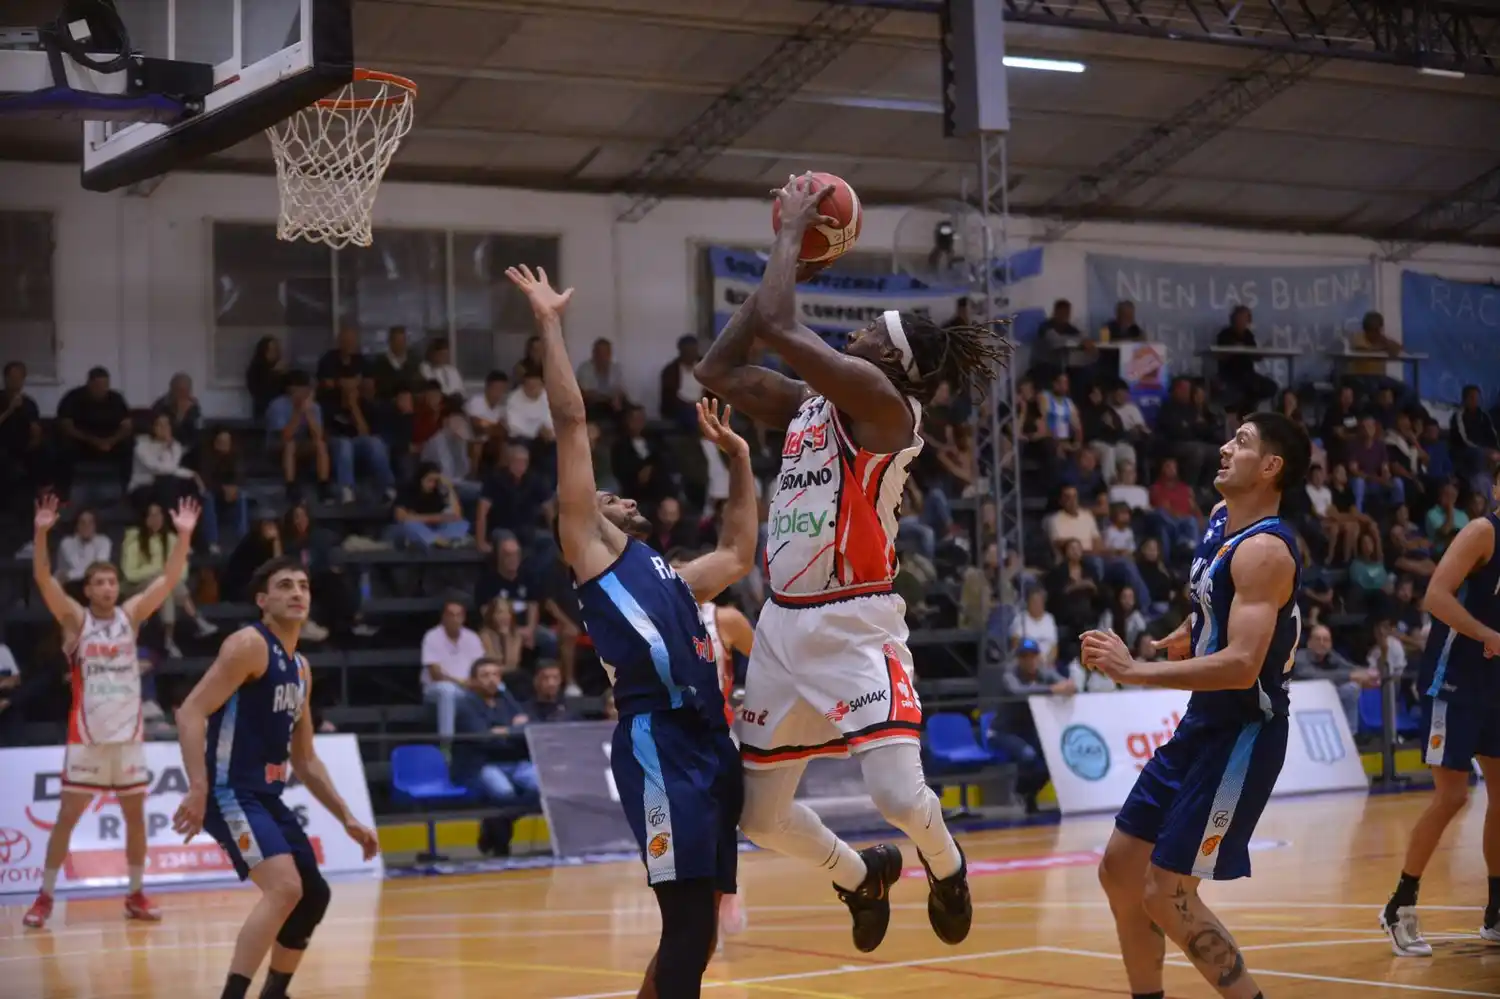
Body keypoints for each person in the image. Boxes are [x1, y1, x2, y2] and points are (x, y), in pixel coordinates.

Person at [694, 173, 1007, 953]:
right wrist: (791, 262)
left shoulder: (881, 404)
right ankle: (858, 874)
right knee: (759, 818)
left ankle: (946, 862)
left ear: (888, 357)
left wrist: (791, 238)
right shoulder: (812, 403)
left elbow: (775, 321)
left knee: (898, 793)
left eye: (870, 329)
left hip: (855, 621)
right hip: (781, 626)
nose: (858, 332)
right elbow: (718, 372)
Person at [507, 263, 758, 999]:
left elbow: (741, 551)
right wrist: (550, 323)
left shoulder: (671, 575)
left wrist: (740, 460)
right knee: (684, 927)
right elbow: (572, 421)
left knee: (700, 930)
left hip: (710, 744)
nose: (611, 495)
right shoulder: (590, 552)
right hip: (659, 745)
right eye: (602, 494)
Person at [1083, 411, 1311, 999]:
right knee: (1120, 871)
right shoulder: (1220, 523)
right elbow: (1217, 605)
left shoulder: (1267, 551)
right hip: (1203, 724)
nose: (1224, 447)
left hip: (1244, 732)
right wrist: (1194, 626)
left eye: (1242, 442)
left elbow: (1240, 664)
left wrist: (1137, 670)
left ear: (1271, 466)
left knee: (1167, 892)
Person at [170, 556, 379, 999]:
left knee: (313, 895)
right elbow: (189, 711)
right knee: (285, 887)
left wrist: (347, 818)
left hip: (266, 797)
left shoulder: (300, 668)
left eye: (303, 585)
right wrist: (198, 787)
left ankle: (274, 994)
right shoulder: (249, 644)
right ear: (263, 600)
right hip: (229, 792)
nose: (297, 592)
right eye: (285, 585)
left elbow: (305, 760)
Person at [22, 494, 201, 930]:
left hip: (128, 740)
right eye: (98, 583)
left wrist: (183, 536)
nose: (106, 588)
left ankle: (136, 894)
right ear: (86, 590)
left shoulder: (130, 616)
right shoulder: (75, 620)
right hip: (86, 740)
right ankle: (44, 897)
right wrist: (42, 532)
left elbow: (169, 578)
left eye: (110, 582)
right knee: (65, 819)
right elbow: (44, 577)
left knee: (136, 821)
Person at [1379, 465, 1500, 957]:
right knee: (1453, 797)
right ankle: (1399, 905)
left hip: (1495, 684)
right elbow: (1435, 595)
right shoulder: (1483, 531)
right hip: (1454, 680)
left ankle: (1496, 912)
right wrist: (1486, 634)